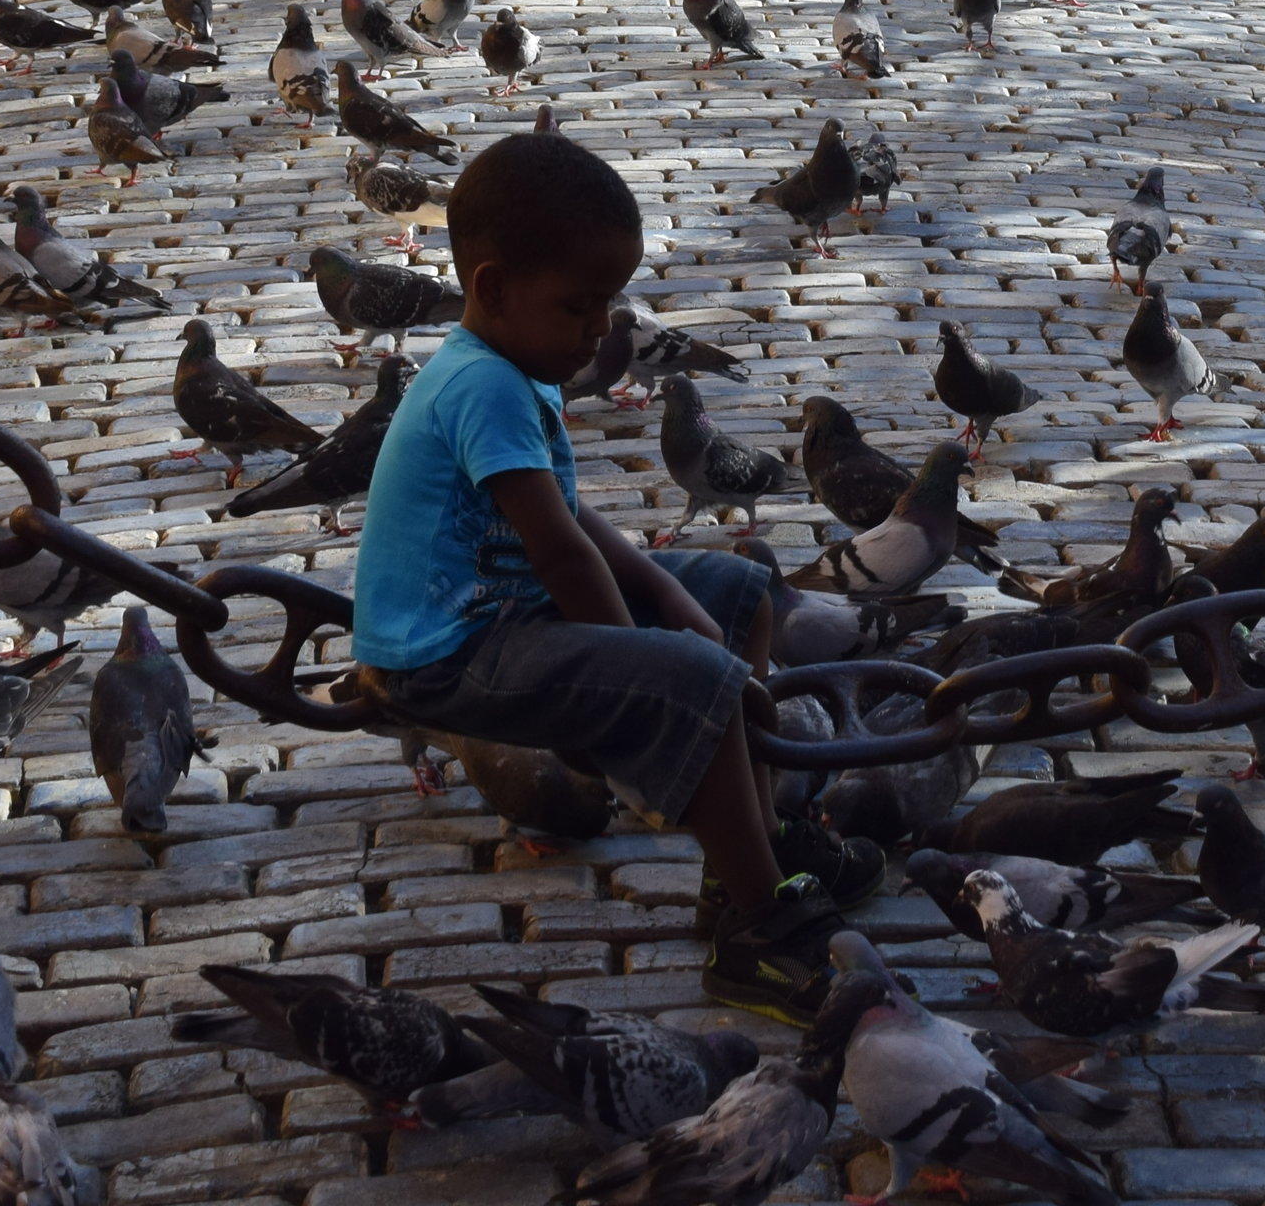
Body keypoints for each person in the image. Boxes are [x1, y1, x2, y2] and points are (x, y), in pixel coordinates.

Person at [350, 123, 876, 1024]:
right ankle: (760, 932)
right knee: (692, 679)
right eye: (580, 307)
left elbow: (567, 513)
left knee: (742, 592)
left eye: (609, 305)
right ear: (492, 289)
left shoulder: (519, 361)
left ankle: (750, 852)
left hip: (508, 613)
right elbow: (559, 553)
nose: (601, 331)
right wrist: (643, 661)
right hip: (445, 652)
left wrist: (669, 592)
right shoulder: (484, 386)